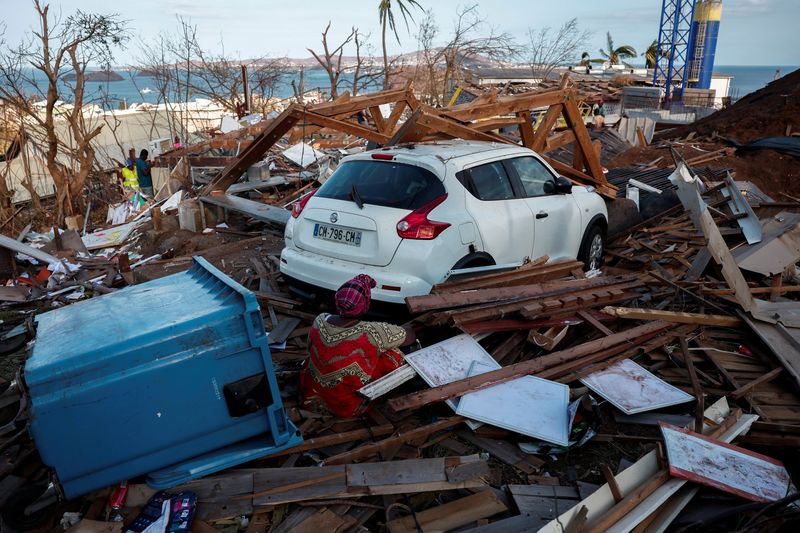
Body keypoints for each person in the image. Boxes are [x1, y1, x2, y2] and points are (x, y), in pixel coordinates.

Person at [299, 274, 416, 418]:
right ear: (365, 304)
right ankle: (386, 392)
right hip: (346, 407)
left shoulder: (320, 319)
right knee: (396, 353)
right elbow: (409, 336)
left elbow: (309, 348)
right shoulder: (372, 331)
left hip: (312, 397)